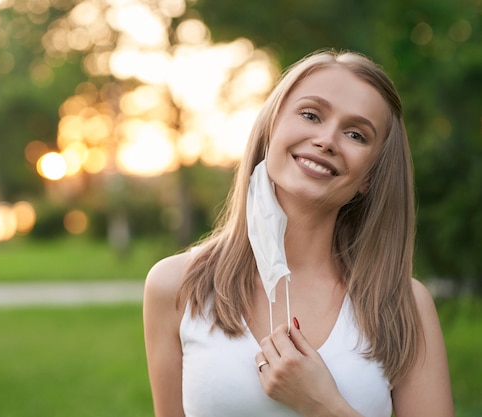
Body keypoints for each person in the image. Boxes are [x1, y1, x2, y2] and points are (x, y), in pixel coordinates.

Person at [143, 49, 454, 417]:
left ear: (369, 177)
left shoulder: (404, 304)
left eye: (355, 134)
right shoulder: (176, 286)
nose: (326, 140)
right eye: (310, 115)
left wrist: (322, 404)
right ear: (272, 127)